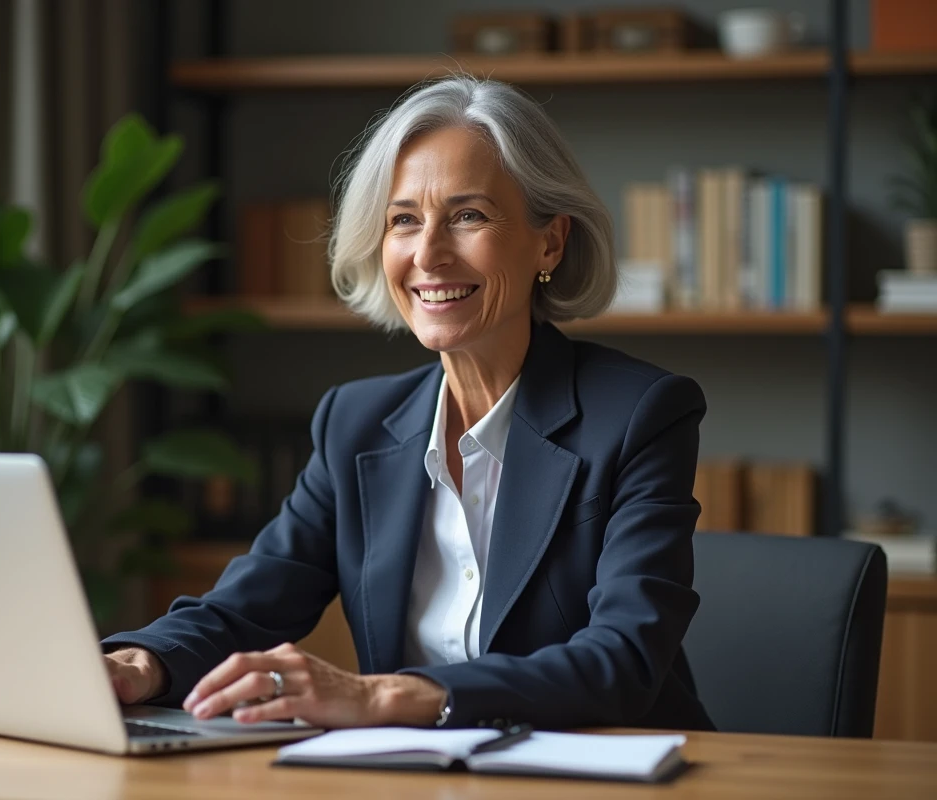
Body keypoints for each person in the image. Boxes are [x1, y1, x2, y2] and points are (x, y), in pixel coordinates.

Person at [102, 75, 714, 732]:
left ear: (551, 242)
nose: (428, 254)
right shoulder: (355, 424)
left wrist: (383, 697)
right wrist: (140, 663)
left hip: (609, 769)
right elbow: (245, 606)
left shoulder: (640, 414)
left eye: (468, 216)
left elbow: (621, 660)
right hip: (420, 772)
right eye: (404, 221)